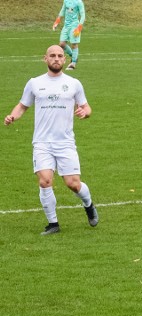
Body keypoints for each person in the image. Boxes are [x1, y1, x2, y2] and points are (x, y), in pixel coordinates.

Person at [4, 45, 98, 235]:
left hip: (65, 143)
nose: (56, 58)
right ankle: (53, 224)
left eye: (60, 56)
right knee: (45, 181)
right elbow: (22, 106)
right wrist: (12, 116)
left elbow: (87, 108)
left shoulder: (74, 84)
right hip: (42, 143)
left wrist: (84, 113)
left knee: (73, 183)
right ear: (45, 59)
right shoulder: (34, 83)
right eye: (52, 56)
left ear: (64, 60)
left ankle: (88, 204)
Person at [52, 0, 85, 70]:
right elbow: (62, 11)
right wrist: (56, 22)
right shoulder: (66, 1)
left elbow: (83, 15)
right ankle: (74, 56)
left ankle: (73, 63)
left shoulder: (79, 2)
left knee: (74, 44)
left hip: (74, 26)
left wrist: (79, 28)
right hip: (66, 26)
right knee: (62, 44)